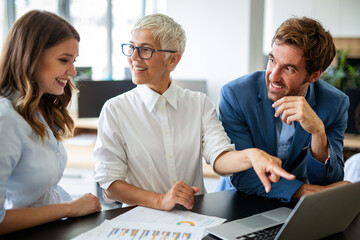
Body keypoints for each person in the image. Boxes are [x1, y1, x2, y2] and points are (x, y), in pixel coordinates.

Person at [94, 13, 295, 212]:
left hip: (194, 220)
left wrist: (252, 156)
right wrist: (161, 200)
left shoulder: (198, 103)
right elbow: (110, 186)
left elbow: (219, 158)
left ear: (173, 60)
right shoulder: (115, 109)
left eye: (145, 50)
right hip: (140, 223)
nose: (134, 58)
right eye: (131, 48)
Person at [218, 16, 350, 202]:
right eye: (272, 60)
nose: (273, 75)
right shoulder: (236, 95)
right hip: (239, 201)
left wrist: (318, 133)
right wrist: (307, 192)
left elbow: (330, 180)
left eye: (288, 69)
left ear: (314, 75)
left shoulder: (334, 103)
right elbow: (244, 176)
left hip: (298, 211)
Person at [0, 10, 101, 235]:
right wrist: (71, 208)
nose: (73, 71)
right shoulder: (5, 119)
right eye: (64, 60)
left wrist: (73, 207)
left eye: (74, 61)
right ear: (31, 57)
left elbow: (43, 192)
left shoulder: (40, 108)